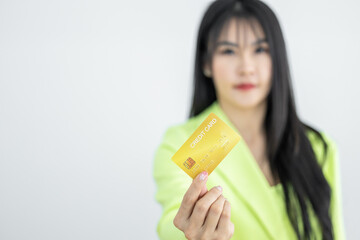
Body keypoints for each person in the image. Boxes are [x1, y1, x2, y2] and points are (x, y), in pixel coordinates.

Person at [153, 0, 346, 239]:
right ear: (206, 63)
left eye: (260, 50)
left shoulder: (317, 146)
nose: (246, 67)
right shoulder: (186, 141)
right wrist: (188, 232)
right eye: (229, 51)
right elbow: (172, 219)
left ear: (278, 59)